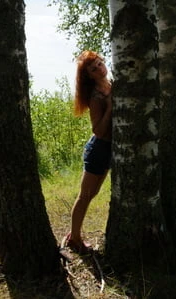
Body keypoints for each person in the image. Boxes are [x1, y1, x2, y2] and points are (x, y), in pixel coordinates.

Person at [63, 50, 112, 254]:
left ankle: (72, 234)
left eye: (100, 63)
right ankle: (74, 238)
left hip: (110, 149)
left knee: (94, 193)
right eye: (94, 68)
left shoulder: (111, 85)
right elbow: (98, 131)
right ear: (89, 75)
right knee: (85, 195)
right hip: (99, 149)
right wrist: (110, 108)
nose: (100, 69)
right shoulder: (96, 96)